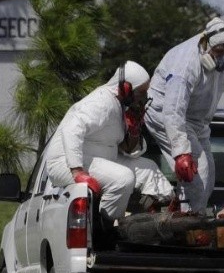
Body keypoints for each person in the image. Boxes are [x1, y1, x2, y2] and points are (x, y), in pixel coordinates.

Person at [144, 17, 224, 214]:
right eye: (218, 51)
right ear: (205, 44)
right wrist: (181, 152)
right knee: (198, 174)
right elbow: (173, 110)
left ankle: (185, 216)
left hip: (197, 120)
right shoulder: (186, 64)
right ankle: (187, 225)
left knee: (208, 175)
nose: (222, 57)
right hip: (164, 114)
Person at [46, 61, 175, 225]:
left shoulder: (118, 106)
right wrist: (78, 172)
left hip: (99, 157)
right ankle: (107, 228)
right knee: (123, 178)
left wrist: (134, 130)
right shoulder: (102, 102)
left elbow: (124, 148)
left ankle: (163, 218)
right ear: (126, 88)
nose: (143, 97)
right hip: (65, 162)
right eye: (141, 92)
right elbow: (71, 129)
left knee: (149, 169)